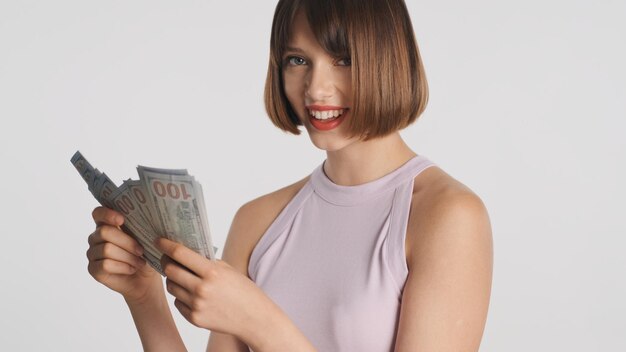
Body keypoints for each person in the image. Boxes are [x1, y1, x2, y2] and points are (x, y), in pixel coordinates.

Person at [86, 0, 493, 351]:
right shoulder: (257, 221)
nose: (316, 88)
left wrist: (262, 325)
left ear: (389, 59)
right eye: (297, 60)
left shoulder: (448, 216)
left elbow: (262, 328)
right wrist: (145, 298)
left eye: (343, 59)